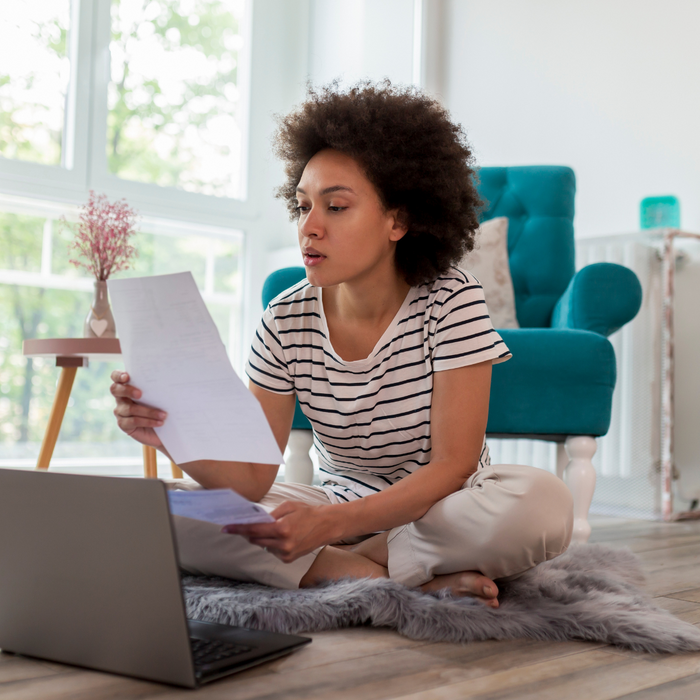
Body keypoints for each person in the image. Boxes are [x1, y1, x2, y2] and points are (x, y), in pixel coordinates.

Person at [111, 81, 573, 609]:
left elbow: (454, 465)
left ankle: (347, 564)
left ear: (398, 220)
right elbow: (253, 477)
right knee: (166, 511)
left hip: (441, 508)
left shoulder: (451, 299)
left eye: (335, 207)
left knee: (542, 503)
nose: (309, 227)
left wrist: (327, 527)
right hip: (332, 501)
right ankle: (395, 579)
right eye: (303, 206)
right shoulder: (283, 318)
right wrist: (170, 435)